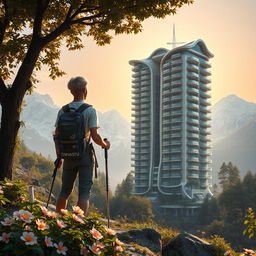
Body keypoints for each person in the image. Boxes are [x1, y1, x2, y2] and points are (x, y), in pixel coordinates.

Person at [54, 76, 110, 214]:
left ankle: (58, 221)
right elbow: (95, 136)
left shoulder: (63, 111)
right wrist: (105, 145)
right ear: (85, 90)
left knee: (65, 190)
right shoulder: (90, 110)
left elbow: (57, 135)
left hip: (68, 154)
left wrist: (59, 156)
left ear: (71, 91)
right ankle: (78, 224)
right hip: (84, 154)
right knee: (84, 192)